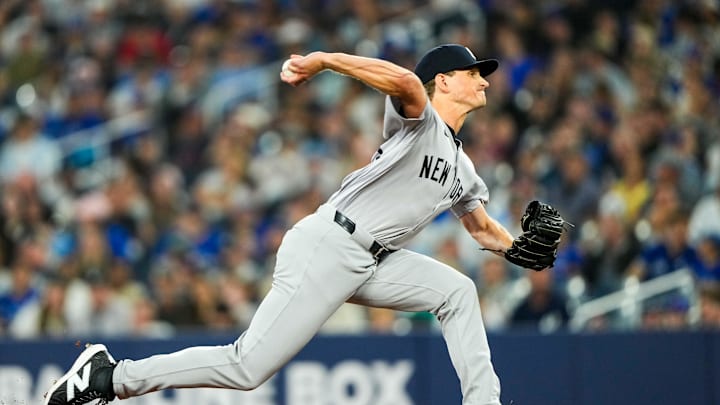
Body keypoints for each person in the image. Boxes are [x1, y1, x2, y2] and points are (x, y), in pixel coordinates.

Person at [45, 44, 543, 405]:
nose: (483, 79)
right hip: (330, 243)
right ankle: (111, 377)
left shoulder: (465, 170)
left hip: (372, 261)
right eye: (473, 71)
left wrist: (520, 247)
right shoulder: (419, 121)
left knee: (456, 292)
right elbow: (407, 83)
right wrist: (325, 60)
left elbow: (481, 230)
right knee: (246, 368)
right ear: (446, 80)